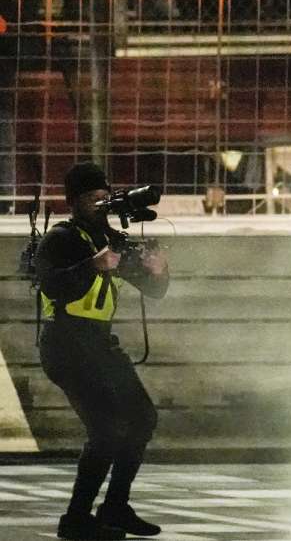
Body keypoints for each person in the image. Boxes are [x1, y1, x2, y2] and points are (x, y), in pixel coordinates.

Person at [36, 163, 169, 540]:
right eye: (92, 198)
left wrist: (157, 272)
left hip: (98, 343)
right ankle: (76, 519)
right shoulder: (60, 238)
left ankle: (114, 507)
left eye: (103, 197)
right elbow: (49, 284)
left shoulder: (109, 236)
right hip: (65, 345)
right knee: (106, 429)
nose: (99, 203)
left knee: (142, 418)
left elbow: (153, 291)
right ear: (74, 201)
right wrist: (91, 265)